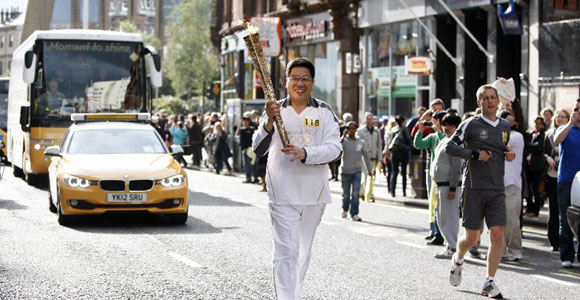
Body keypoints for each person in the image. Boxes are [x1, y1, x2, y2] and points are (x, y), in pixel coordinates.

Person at [252, 58, 342, 300]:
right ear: (286, 81)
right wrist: (269, 122)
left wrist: (306, 154)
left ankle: (292, 294)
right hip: (282, 192)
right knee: (286, 252)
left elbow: (336, 149)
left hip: (314, 194)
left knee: (301, 252)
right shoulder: (275, 109)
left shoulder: (324, 111)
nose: (299, 83)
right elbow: (258, 148)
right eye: (295, 78)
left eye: (305, 78)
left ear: (312, 82)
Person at [445, 84, 515, 299]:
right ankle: (458, 259)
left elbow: (500, 148)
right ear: (479, 102)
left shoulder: (504, 126)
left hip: (496, 188)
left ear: (498, 101)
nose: (491, 101)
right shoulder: (469, 124)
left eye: (493, 97)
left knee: (497, 234)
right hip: (473, 188)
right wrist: (474, 155)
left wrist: (508, 153)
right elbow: (450, 147)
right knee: (472, 238)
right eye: (486, 98)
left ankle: (489, 282)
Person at [553, 98, 580, 268]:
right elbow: (556, 139)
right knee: (565, 218)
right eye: (576, 108)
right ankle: (567, 255)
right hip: (566, 180)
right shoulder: (566, 128)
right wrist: (570, 122)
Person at [431, 113, 463, 259]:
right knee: (442, 217)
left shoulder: (455, 143)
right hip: (441, 184)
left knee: (449, 217)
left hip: (449, 186)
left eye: (451, 126)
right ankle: (449, 244)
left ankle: (452, 246)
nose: (447, 128)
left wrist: (452, 187)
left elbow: (456, 166)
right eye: (445, 125)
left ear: (457, 127)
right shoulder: (444, 140)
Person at [414, 110, 447, 246]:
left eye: (434, 120)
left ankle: (442, 234)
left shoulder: (445, 136)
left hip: (445, 176)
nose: (431, 123)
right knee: (433, 204)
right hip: (434, 174)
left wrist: (438, 131)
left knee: (441, 206)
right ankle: (436, 232)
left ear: (439, 122)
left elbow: (444, 143)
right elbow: (418, 144)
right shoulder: (433, 137)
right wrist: (420, 131)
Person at [499, 110, 525, 262]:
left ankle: (515, 251)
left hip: (512, 184)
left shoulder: (516, 137)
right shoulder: (498, 134)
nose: (510, 123)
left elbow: (502, 144)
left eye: (511, 121)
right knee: (497, 221)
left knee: (512, 220)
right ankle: (500, 250)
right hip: (496, 184)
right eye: (506, 120)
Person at [544, 109, 570, 252]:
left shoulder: (571, 133)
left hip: (567, 175)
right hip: (552, 175)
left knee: (565, 210)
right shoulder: (549, 134)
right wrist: (547, 157)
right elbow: (541, 151)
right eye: (558, 117)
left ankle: (566, 241)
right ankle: (554, 241)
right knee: (553, 209)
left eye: (563, 117)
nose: (560, 119)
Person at [340, 121, 372, 222]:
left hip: (357, 172)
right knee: (346, 195)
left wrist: (369, 170)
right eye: (349, 129)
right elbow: (337, 147)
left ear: (356, 129)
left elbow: (366, 156)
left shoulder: (360, 142)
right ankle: (345, 209)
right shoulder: (344, 141)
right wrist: (342, 136)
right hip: (345, 171)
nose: (351, 130)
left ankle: (354, 214)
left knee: (355, 194)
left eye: (353, 128)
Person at [525, 116, 547, 217]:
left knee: (536, 189)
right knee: (528, 188)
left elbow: (538, 148)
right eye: (536, 123)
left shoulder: (543, 135)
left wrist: (530, 147)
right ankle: (529, 208)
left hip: (537, 167)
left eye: (539, 123)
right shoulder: (531, 134)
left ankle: (536, 210)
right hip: (528, 166)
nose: (537, 125)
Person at [357, 112, 381, 202]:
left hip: (374, 157)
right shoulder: (360, 131)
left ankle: (361, 192)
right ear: (365, 120)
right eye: (368, 119)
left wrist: (380, 158)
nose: (369, 121)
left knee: (370, 176)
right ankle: (370, 194)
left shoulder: (377, 131)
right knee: (368, 175)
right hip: (363, 158)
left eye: (371, 119)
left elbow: (379, 145)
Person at [386, 115, 412, 198]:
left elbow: (389, 141)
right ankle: (404, 191)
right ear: (403, 121)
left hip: (394, 151)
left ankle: (392, 191)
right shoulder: (405, 129)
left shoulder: (393, 129)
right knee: (404, 172)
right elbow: (409, 140)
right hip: (403, 152)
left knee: (394, 172)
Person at [238, 116, 259, 183]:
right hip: (244, 149)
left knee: (253, 163)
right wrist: (239, 124)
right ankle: (248, 178)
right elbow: (237, 133)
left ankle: (255, 177)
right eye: (244, 121)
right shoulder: (242, 129)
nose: (245, 122)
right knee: (246, 164)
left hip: (251, 149)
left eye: (246, 121)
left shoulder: (252, 129)